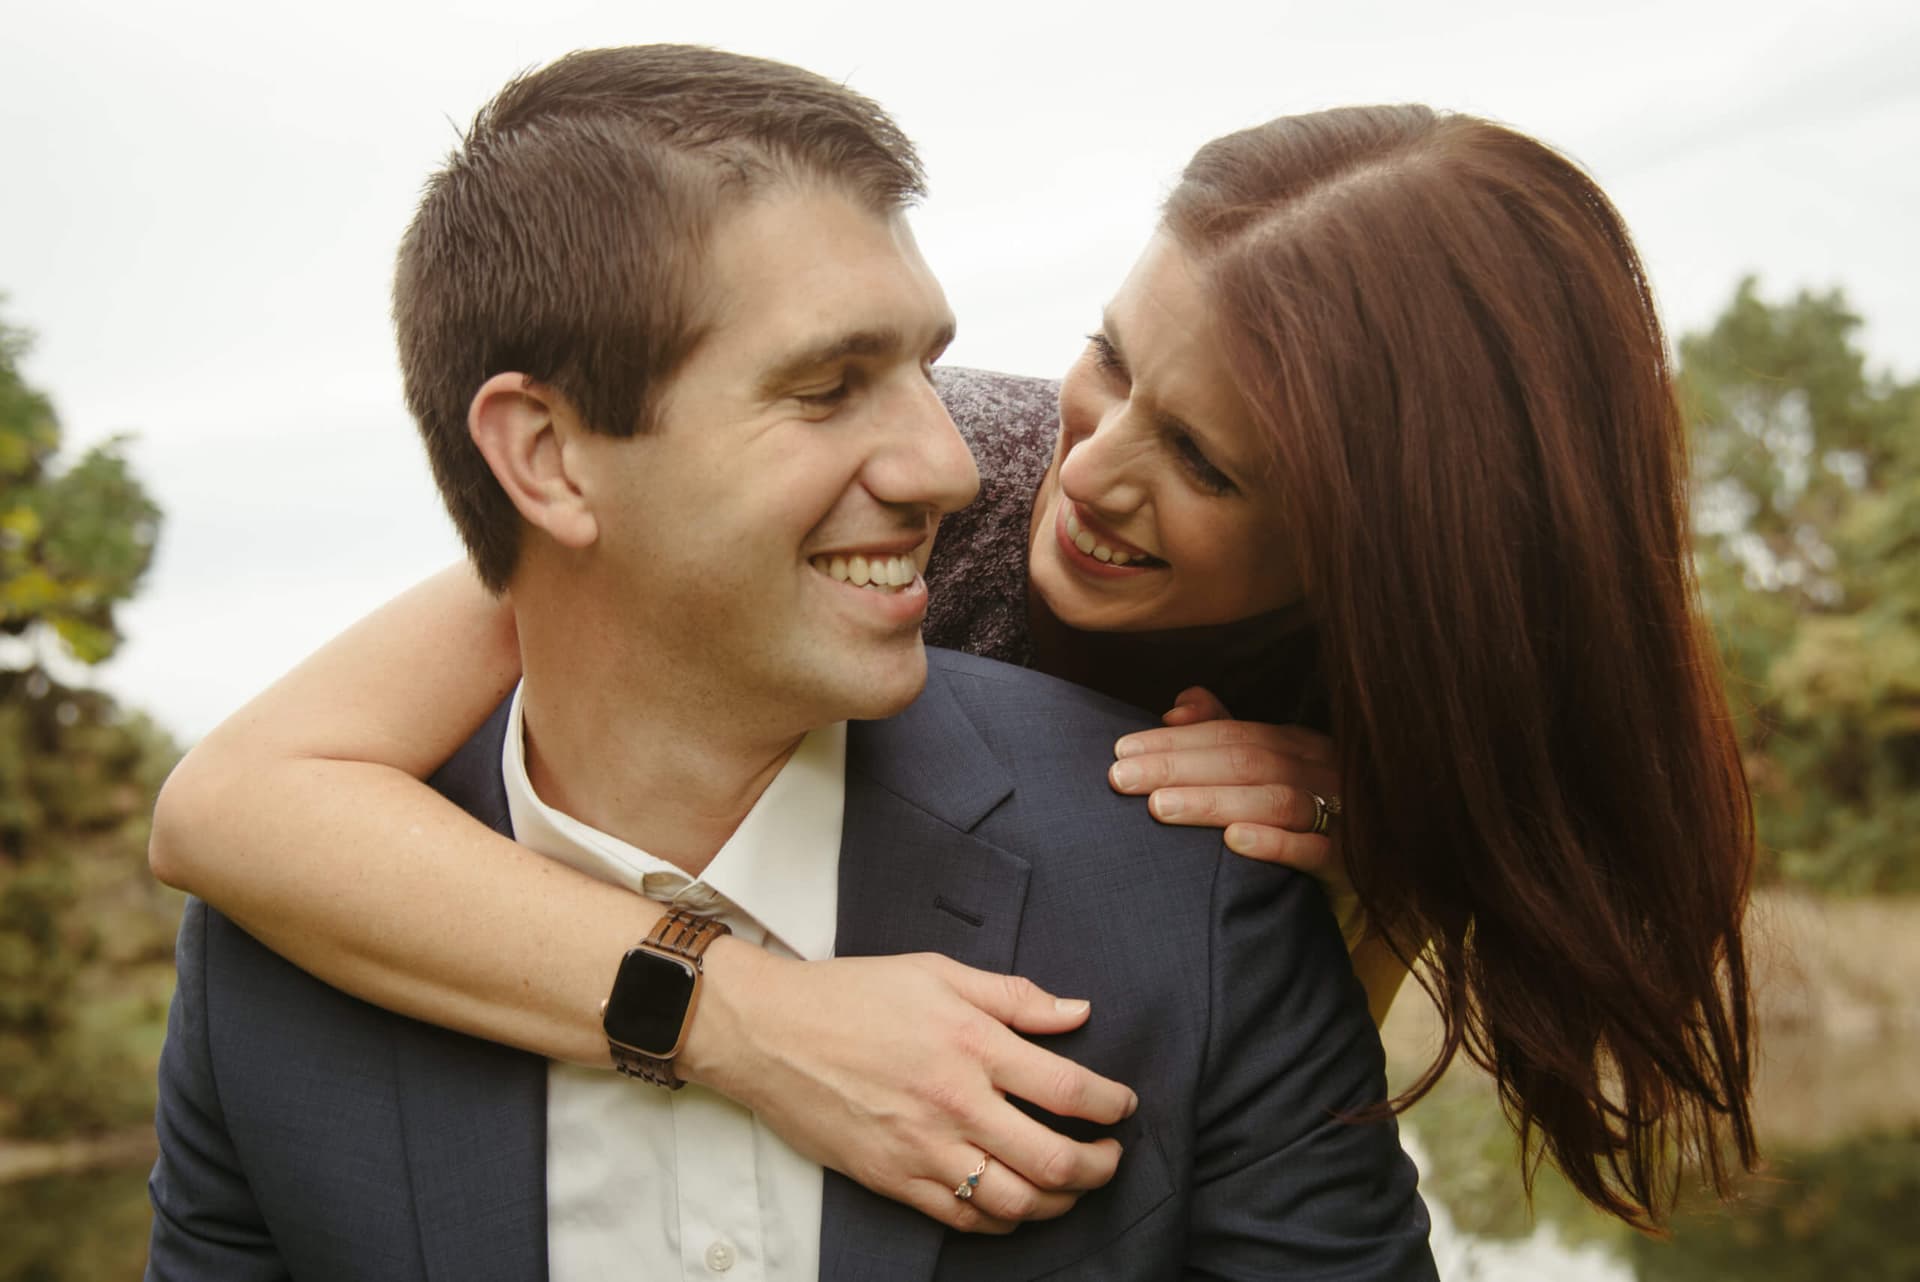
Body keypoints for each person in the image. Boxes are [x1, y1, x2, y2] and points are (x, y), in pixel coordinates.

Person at [151, 76, 1758, 1239]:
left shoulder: (1393, 731)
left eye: (1203, 460)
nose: (1091, 468)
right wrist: (749, 1016)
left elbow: (1203, 1182)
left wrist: (1374, 835)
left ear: (1391, 555)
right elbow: (236, 805)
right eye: (1112, 357)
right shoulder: (956, 463)